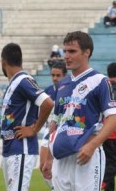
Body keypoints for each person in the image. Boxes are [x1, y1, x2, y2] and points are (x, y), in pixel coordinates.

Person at [41, 31, 116, 190]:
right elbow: (55, 122)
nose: (66, 56)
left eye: (72, 51)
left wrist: (93, 146)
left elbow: (113, 119)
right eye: (65, 51)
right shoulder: (62, 85)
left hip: (86, 155)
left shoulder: (99, 81)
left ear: (87, 52)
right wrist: (49, 158)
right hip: (62, 157)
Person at [0, 43, 54, 191]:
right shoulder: (13, 83)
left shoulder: (23, 81)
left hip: (21, 148)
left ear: (3, 62)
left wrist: (34, 129)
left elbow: (48, 103)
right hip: (10, 148)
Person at [39, 62, 67, 190]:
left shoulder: (68, 90)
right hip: (48, 130)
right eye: (53, 75)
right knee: (42, 165)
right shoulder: (48, 91)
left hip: (63, 130)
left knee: (61, 167)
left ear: (65, 75)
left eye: (58, 75)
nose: (55, 78)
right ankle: (54, 188)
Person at [102, 62, 116, 191]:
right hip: (112, 132)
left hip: (101, 131)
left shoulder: (103, 86)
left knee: (106, 164)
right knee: (114, 166)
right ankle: (99, 185)